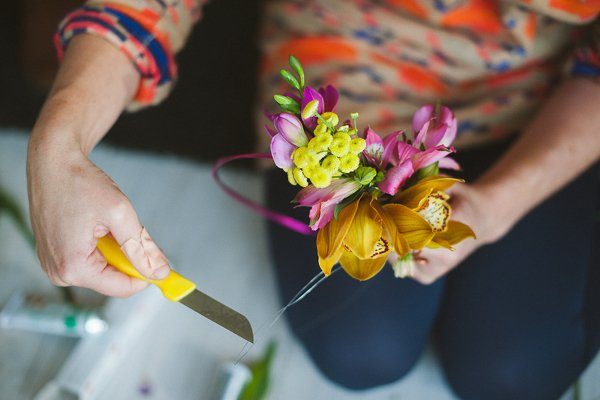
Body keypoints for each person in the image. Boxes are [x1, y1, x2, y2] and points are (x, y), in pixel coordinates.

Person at [27, 1, 600, 399]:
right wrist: (59, 148)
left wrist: (503, 202)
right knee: (361, 349)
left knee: (514, 376)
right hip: (339, 112)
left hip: (549, 105)